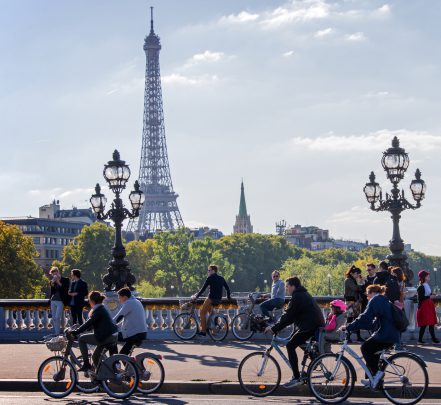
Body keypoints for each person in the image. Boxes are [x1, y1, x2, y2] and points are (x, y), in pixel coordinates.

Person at [264, 277, 325, 388]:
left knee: (290, 345)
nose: (287, 289)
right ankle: (314, 358)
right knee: (294, 339)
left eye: (287, 286)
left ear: (293, 286)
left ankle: (296, 377)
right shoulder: (302, 294)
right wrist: (277, 326)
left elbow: (288, 317)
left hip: (310, 326)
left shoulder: (297, 296)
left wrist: (274, 328)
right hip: (311, 325)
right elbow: (290, 316)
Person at [345, 284, 400, 387]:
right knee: (372, 351)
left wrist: (349, 327)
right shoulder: (383, 299)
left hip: (386, 335)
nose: (367, 297)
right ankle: (372, 379)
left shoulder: (375, 300)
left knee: (365, 348)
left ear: (372, 293)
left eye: (367, 294)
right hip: (391, 334)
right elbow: (371, 321)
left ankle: (376, 377)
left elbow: (365, 317)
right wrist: (356, 326)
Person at [72, 291, 118, 372]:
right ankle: (101, 376)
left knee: (81, 339)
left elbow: (88, 323)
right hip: (110, 335)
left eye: (89, 301)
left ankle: (86, 364)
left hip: (106, 337)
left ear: (92, 301)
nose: (89, 303)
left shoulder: (98, 311)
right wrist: (84, 328)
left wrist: (76, 332)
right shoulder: (101, 308)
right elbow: (93, 323)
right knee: (95, 357)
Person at [191, 264, 231, 337]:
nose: (208, 272)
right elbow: (227, 289)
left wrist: (196, 296)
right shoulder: (221, 278)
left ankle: (203, 331)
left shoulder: (210, 278)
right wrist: (228, 297)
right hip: (218, 299)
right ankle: (213, 330)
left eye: (209, 270)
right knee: (212, 314)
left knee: (202, 313)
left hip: (211, 298)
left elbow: (203, 289)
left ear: (213, 271)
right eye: (208, 270)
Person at [113, 287, 148, 355]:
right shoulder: (136, 301)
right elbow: (124, 320)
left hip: (134, 334)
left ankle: (115, 363)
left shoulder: (129, 303)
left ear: (125, 297)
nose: (119, 300)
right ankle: (128, 365)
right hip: (141, 333)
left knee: (112, 338)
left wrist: (107, 324)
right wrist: (116, 326)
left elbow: (118, 317)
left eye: (120, 298)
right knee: (124, 354)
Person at [416, 270, 439, 344]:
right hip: (424, 306)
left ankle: (433, 339)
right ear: (424, 277)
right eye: (427, 276)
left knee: (431, 322)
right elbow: (421, 298)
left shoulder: (426, 285)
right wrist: (430, 296)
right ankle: (420, 340)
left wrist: (432, 294)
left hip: (428, 305)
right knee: (425, 323)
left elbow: (427, 295)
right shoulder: (421, 287)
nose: (429, 277)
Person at [344, 265, 364, 342]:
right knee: (349, 319)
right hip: (350, 301)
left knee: (356, 319)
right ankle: (347, 337)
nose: (358, 275)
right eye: (357, 274)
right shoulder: (348, 280)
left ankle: (358, 336)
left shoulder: (353, 279)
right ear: (352, 273)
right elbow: (355, 288)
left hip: (355, 301)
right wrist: (359, 284)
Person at [48, 267, 70, 336]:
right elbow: (52, 290)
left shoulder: (65, 279)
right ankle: (56, 332)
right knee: (54, 317)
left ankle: (61, 331)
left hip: (60, 301)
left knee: (57, 317)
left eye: (55, 273)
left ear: (58, 272)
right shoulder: (53, 281)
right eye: (53, 274)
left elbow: (65, 289)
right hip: (53, 300)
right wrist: (52, 282)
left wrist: (58, 281)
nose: (55, 275)